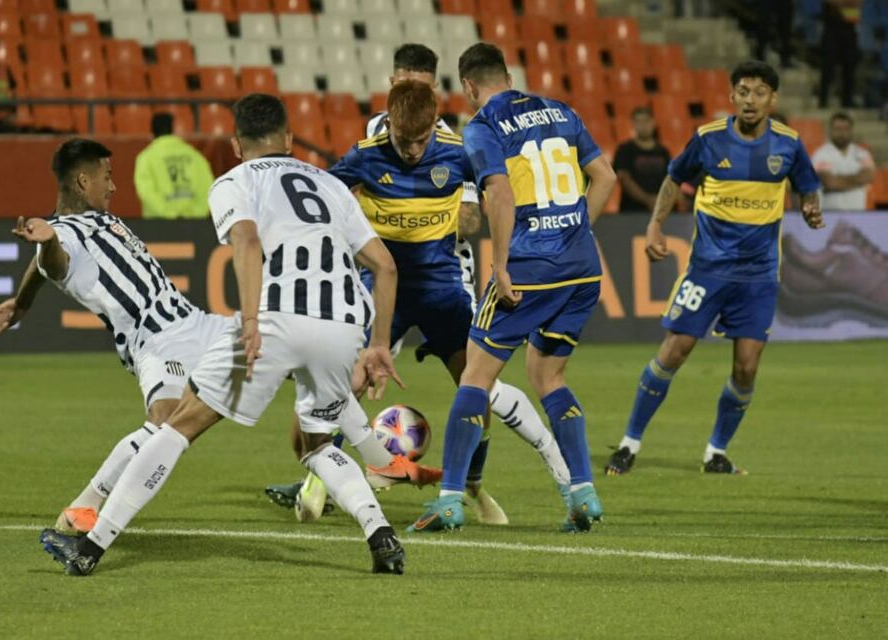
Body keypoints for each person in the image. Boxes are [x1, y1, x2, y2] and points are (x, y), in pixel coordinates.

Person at [38, 94, 408, 576]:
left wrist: (250, 322)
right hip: (341, 326)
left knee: (178, 426)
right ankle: (381, 533)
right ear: (289, 139)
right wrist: (379, 344)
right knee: (317, 443)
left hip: (276, 320)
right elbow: (386, 266)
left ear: (236, 145)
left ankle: (89, 547)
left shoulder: (234, 181)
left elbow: (247, 241)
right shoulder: (332, 185)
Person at [266, 44, 575, 526]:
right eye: (404, 140)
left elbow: (499, 193)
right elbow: (317, 200)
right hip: (379, 289)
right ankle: (320, 478)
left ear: (435, 124)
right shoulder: (365, 157)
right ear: (389, 122)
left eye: (421, 140)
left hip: (442, 289)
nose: (412, 151)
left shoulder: (459, 152)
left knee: (476, 387)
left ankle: (471, 484)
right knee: (341, 384)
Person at [410, 43, 617, 534]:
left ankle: (449, 500)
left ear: (468, 87)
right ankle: (583, 493)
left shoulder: (482, 125)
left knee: (475, 378)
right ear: (507, 75)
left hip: (528, 266)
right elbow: (605, 177)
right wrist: (575, 232)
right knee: (549, 376)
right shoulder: (561, 111)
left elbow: (499, 194)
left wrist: (500, 265)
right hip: (582, 267)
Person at [0, 138, 235, 536]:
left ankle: (337, 461)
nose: (114, 186)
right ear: (83, 181)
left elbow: (40, 267)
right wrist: (48, 243)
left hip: (197, 323)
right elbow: (55, 262)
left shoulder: (93, 220)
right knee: (165, 423)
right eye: (107, 176)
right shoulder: (64, 237)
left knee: (285, 344)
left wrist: (22, 302)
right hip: (157, 341)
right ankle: (86, 504)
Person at [605, 61, 824, 476]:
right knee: (674, 351)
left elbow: (808, 186)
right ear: (731, 96)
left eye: (759, 92)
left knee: (746, 367)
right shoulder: (708, 139)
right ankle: (630, 443)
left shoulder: (789, 145)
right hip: (707, 269)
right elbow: (673, 179)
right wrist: (655, 225)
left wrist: (811, 207)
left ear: (773, 99)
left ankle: (716, 452)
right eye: (743, 91)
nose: (750, 100)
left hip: (759, 275)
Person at [134, 113, 215, 219]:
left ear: (152, 132)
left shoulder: (146, 158)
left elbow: (146, 192)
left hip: (158, 224)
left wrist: (170, 214)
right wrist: (196, 213)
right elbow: (208, 188)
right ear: (174, 130)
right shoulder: (195, 156)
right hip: (195, 223)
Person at [811, 111, 875, 211]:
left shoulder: (862, 154)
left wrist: (838, 181)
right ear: (830, 130)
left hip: (858, 213)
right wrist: (857, 181)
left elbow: (869, 176)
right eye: (838, 129)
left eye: (845, 129)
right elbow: (830, 182)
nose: (842, 133)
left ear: (851, 130)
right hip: (830, 213)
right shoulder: (820, 154)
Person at [613, 106, 672, 213]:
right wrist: (648, 200)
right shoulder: (624, 150)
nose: (643, 125)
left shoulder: (663, 152)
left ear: (653, 122)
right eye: (638, 122)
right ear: (633, 125)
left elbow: (670, 179)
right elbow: (624, 179)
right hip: (631, 212)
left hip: (660, 211)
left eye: (646, 121)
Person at [819, 0, 861, 108]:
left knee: (849, 68)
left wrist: (841, 4)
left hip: (849, 30)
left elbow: (856, 4)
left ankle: (847, 101)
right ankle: (823, 100)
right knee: (827, 68)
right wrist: (845, 4)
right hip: (831, 31)